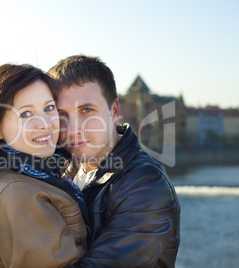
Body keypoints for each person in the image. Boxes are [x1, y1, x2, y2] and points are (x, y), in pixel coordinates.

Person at [0, 64, 89, 268]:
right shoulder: (18, 194)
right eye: (25, 114)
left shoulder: (25, 172)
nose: (46, 123)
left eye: (49, 108)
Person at [48, 55, 180, 267]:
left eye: (86, 110)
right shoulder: (60, 167)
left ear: (115, 112)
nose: (73, 129)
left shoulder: (146, 183)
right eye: (61, 115)